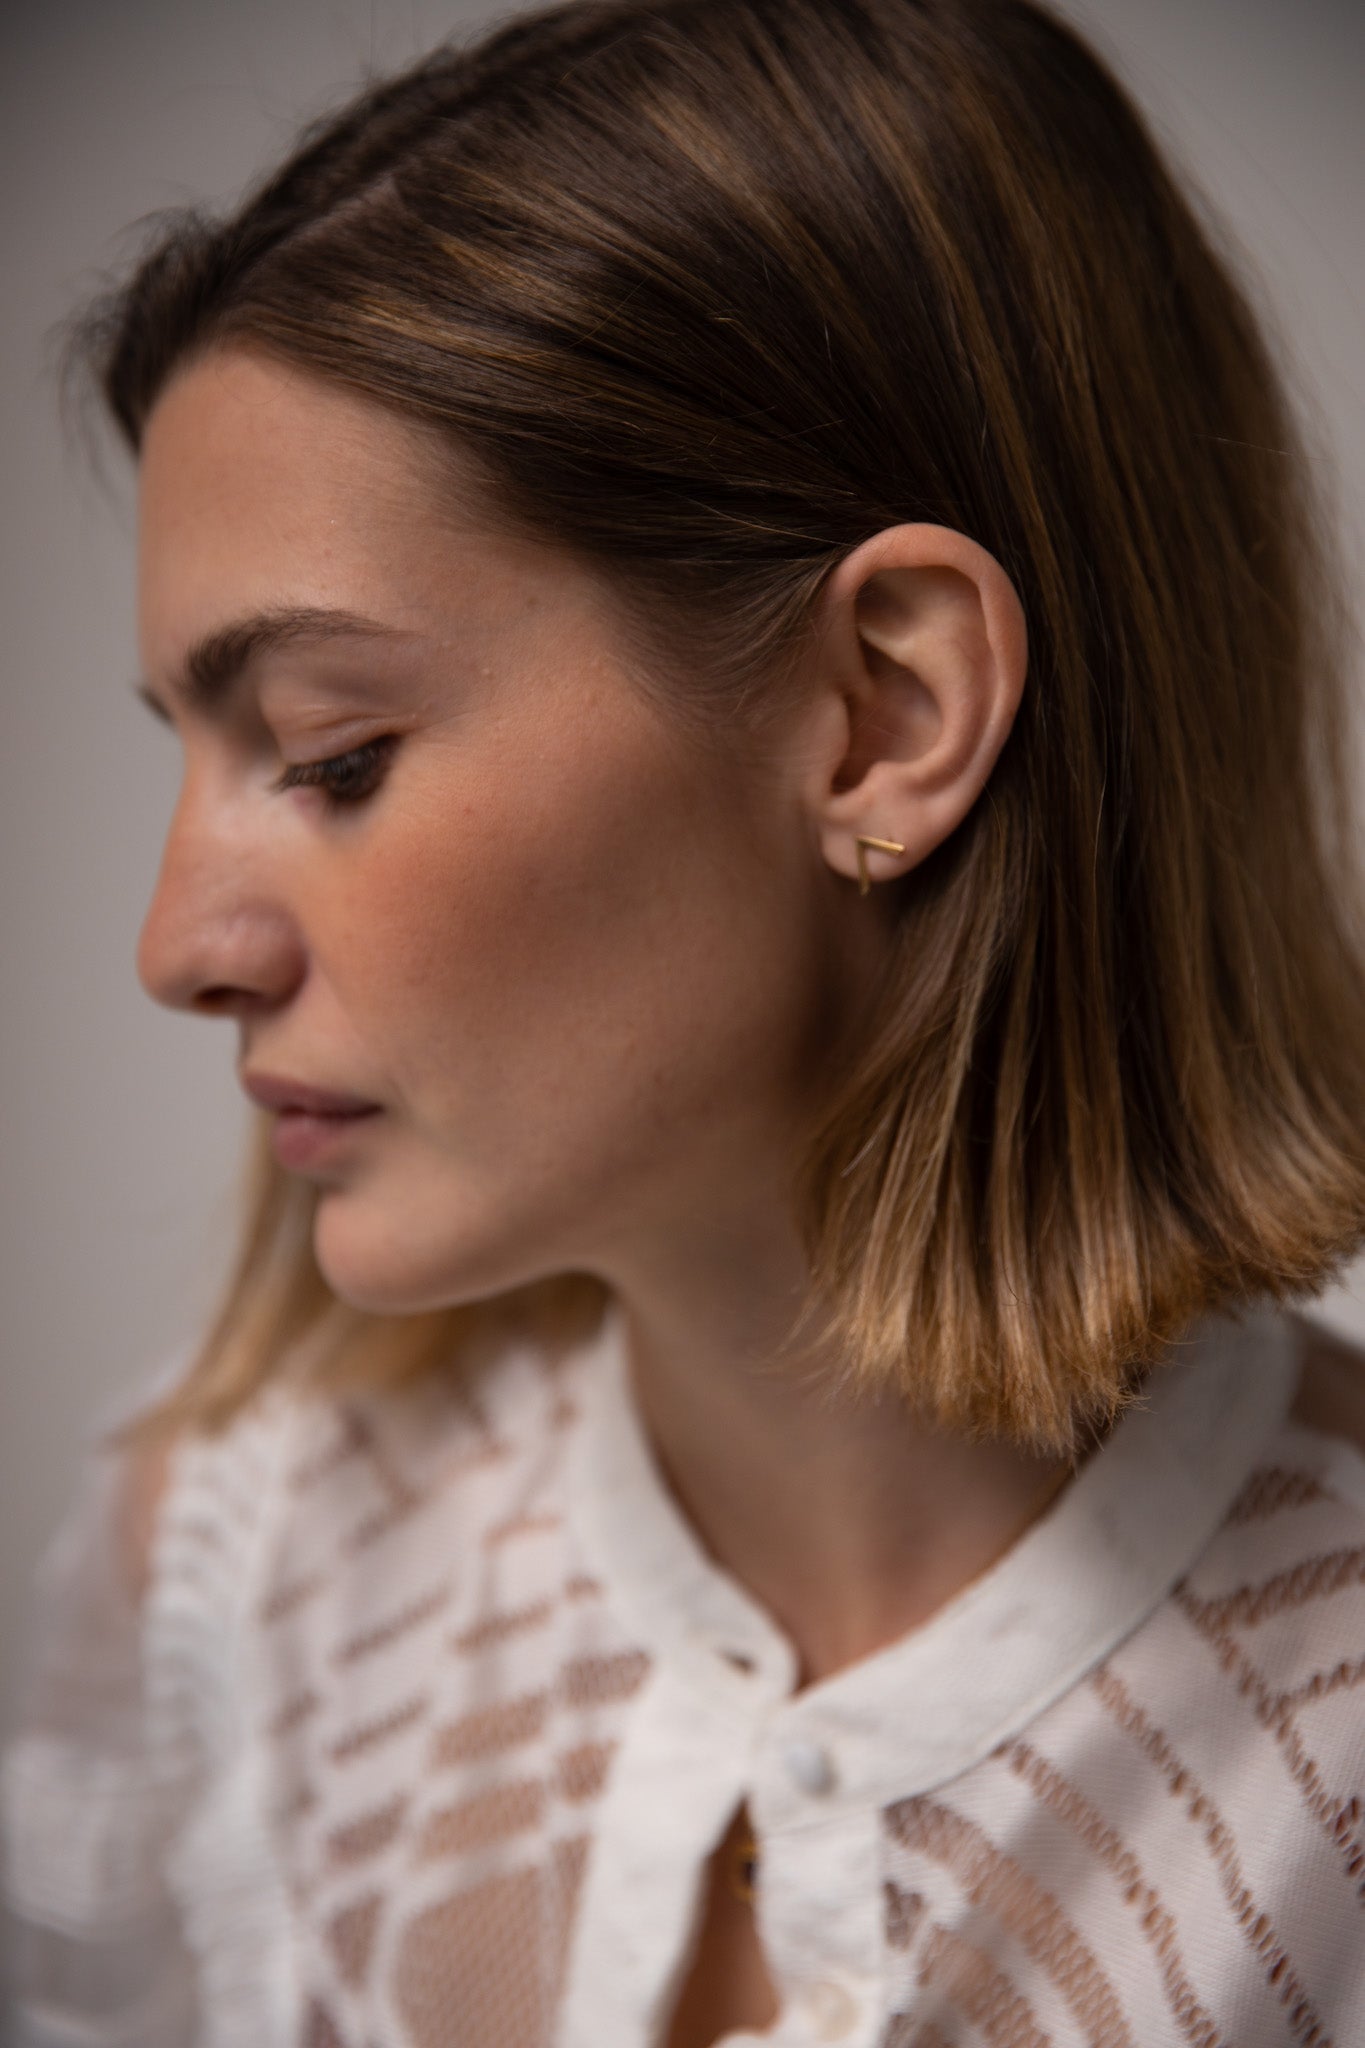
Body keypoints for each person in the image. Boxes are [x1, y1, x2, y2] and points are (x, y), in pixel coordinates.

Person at [5, 0, 1365, 2041]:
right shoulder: (227, 1586)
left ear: (885, 715)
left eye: (332, 751)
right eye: (191, 760)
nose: (178, 943)